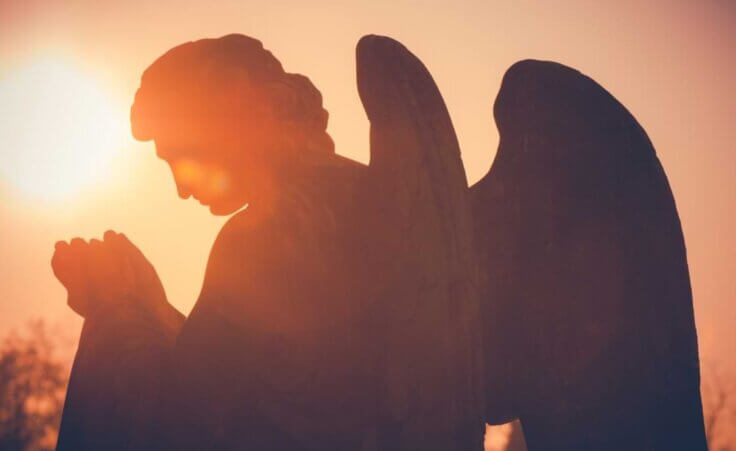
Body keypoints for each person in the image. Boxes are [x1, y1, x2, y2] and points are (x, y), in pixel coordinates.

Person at [51, 34, 486, 451]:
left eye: (179, 154)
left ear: (231, 107)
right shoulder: (366, 198)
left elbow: (178, 424)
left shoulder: (267, 235)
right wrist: (150, 305)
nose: (181, 188)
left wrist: (116, 304)